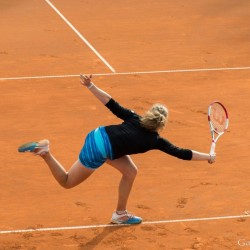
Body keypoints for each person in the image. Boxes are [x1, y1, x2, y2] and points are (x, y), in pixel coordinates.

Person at [18, 74, 216, 225]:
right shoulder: (156, 140)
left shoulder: (135, 118)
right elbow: (182, 153)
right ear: (161, 125)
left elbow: (111, 104)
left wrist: (90, 85)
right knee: (67, 181)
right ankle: (46, 152)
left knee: (130, 171)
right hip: (99, 149)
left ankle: (120, 214)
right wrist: (208, 157)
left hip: (97, 134)